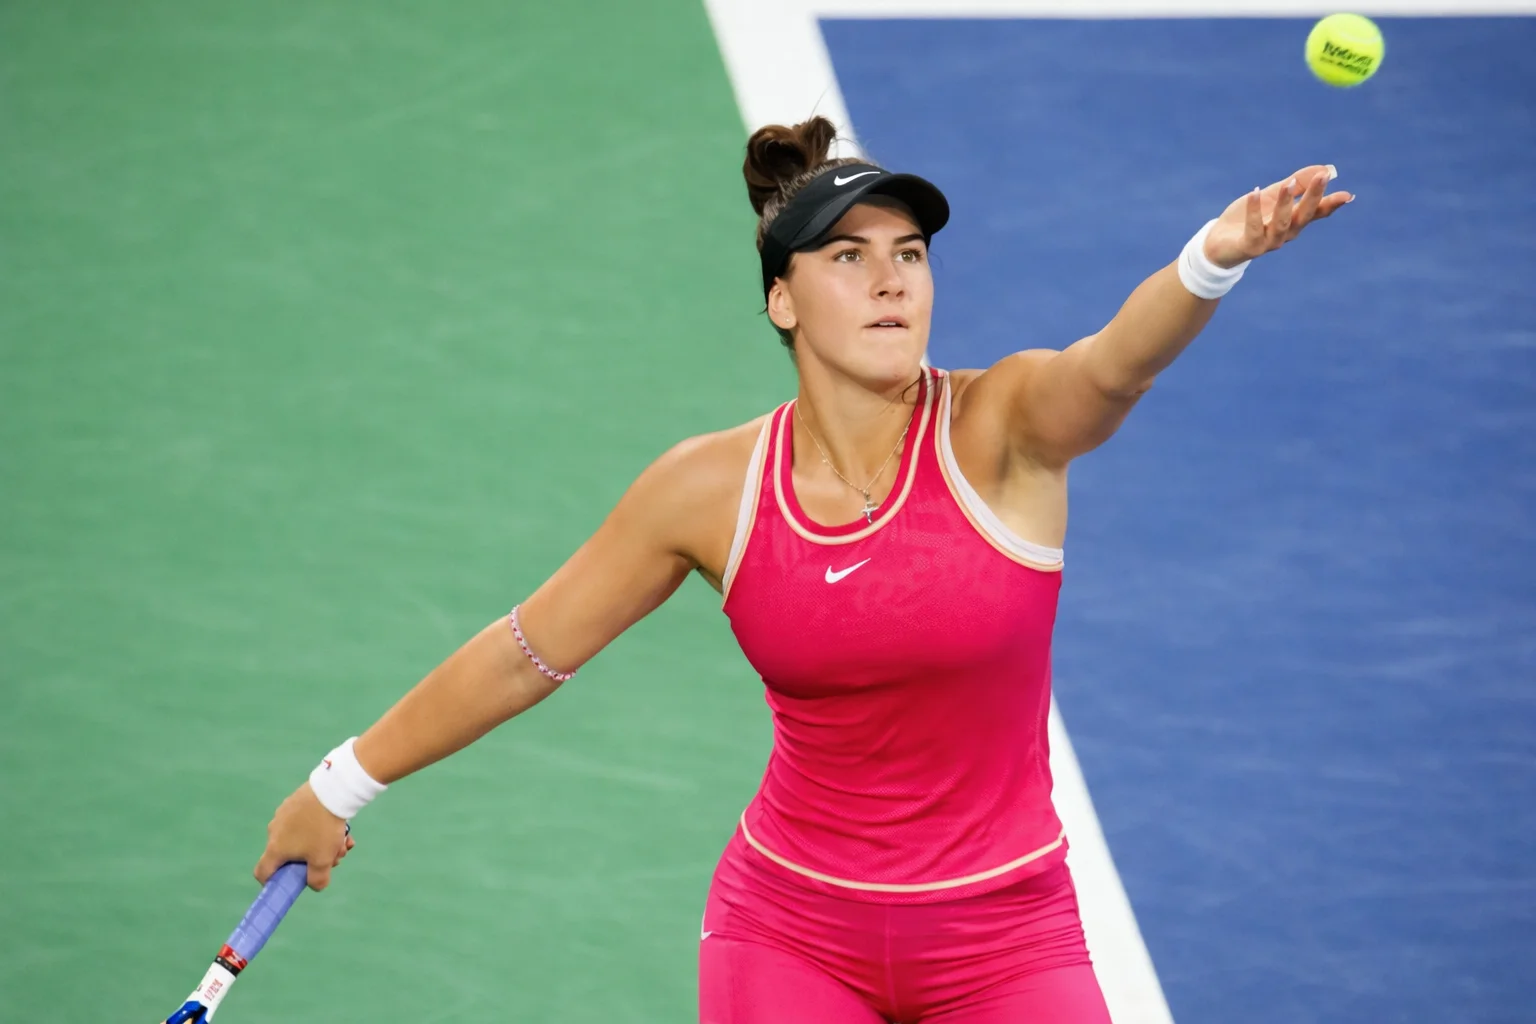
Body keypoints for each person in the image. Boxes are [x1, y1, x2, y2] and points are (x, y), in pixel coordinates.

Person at [255, 116, 1350, 1021]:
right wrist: (339, 782)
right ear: (783, 299)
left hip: (1007, 933)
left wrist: (1214, 256)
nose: (891, 282)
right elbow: (526, 651)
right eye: (849, 257)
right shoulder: (707, 488)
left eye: (909, 255)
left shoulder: (1004, 424)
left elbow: (1115, 365)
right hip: (790, 935)